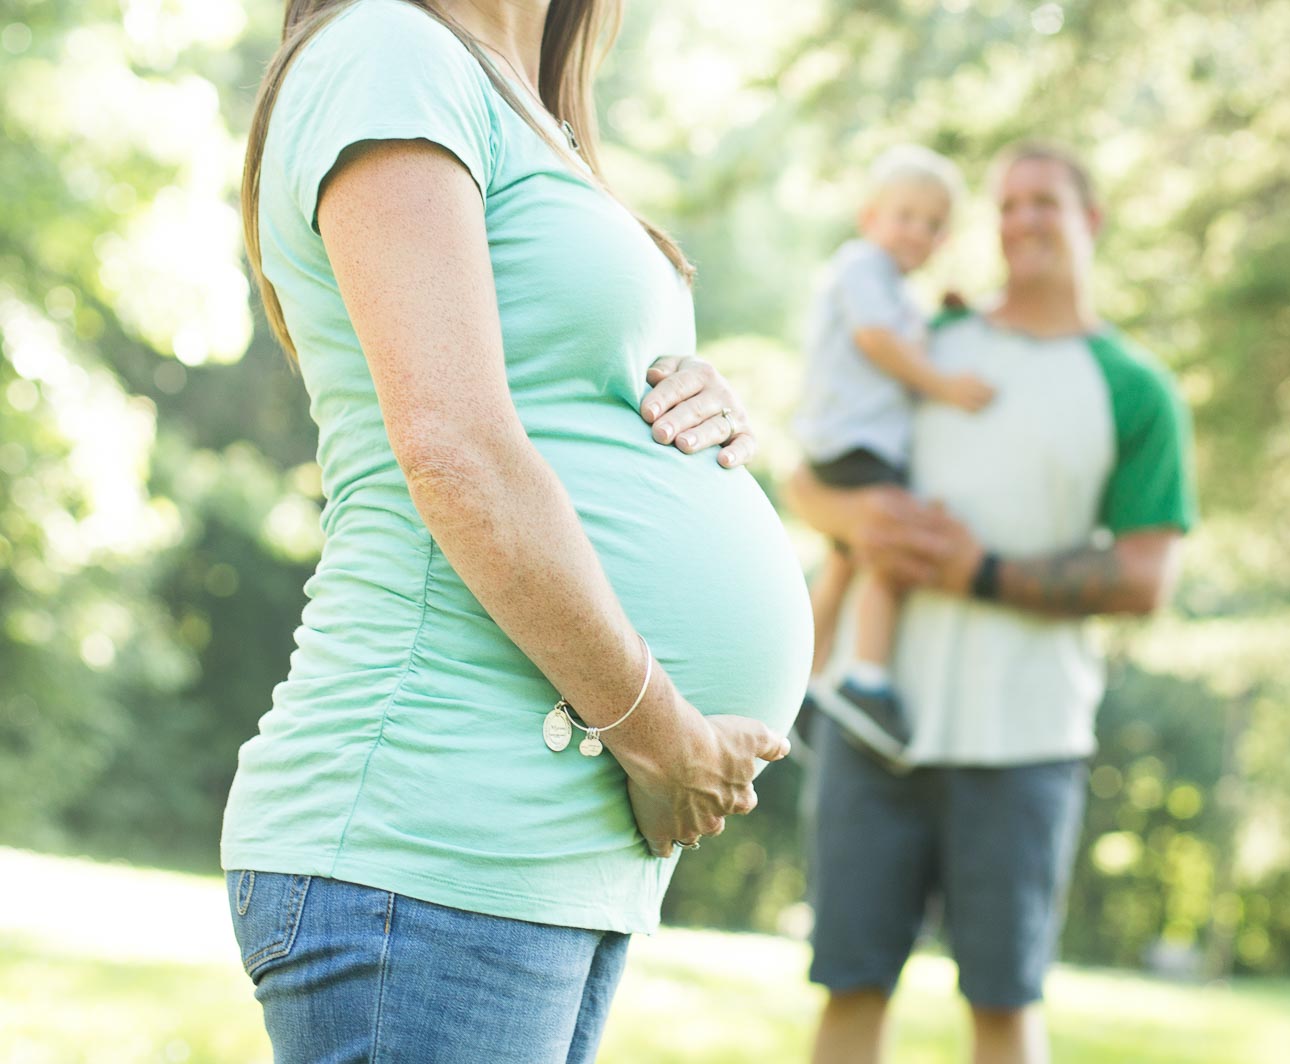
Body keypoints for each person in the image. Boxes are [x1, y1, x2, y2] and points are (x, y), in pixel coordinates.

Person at [219, 1, 813, 1060]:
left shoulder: (525, 103)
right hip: (432, 831)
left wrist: (675, 393)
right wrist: (662, 735)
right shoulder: (391, 49)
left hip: (542, 858)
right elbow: (455, 448)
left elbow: (540, 380)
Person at [789, 141, 1198, 1064]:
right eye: (1007, 205)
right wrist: (858, 518)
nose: (1021, 221)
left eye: (1044, 201)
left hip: (1025, 742)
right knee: (849, 989)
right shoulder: (929, 341)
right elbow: (809, 477)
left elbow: (1146, 578)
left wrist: (977, 571)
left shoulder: (1134, 388)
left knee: (1004, 1008)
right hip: (872, 728)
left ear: (1091, 220)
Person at [790, 145, 994, 764]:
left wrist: (941, 318)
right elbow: (876, 340)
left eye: (932, 225)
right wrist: (944, 385)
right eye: (905, 216)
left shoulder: (894, 288)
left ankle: (803, 680)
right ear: (870, 217)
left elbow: (900, 332)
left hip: (843, 441)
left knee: (843, 563)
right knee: (889, 550)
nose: (917, 233)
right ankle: (866, 679)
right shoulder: (862, 265)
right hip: (857, 440)